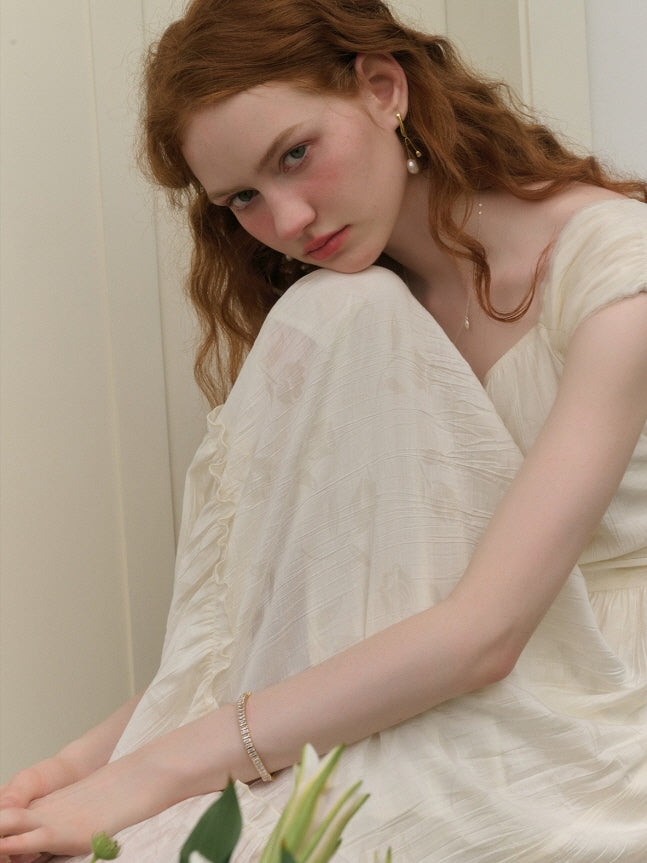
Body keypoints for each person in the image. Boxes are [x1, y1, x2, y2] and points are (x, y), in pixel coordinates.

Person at [1, 0, 646, 860]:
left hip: (601, 682)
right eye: (244, 198)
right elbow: (285, 608)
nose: (290, 221)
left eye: (296, 155)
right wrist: (87, 758)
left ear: (384, 88)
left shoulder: (613, 271)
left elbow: (484, 632)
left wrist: (149, 772)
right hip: (423, 676)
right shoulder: (361, 313)